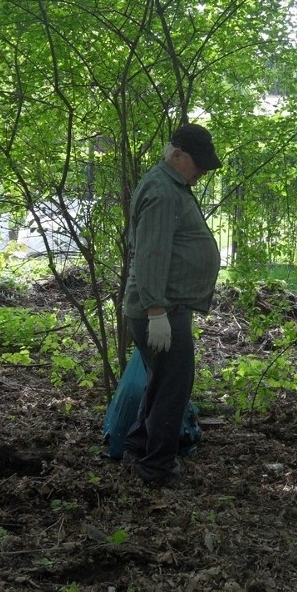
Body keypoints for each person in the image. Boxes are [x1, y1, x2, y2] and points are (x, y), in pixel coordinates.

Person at [122, 123, 222, 487]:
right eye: (198, 165)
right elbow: (151, 254)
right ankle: (157, 469)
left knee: (162, 382)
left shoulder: (171, 185)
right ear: (177, 154)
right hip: (162, 309)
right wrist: (156, 312)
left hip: (166, 307)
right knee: (174, 388)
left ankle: (138, 444)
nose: (201, 174)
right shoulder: (163, 191)